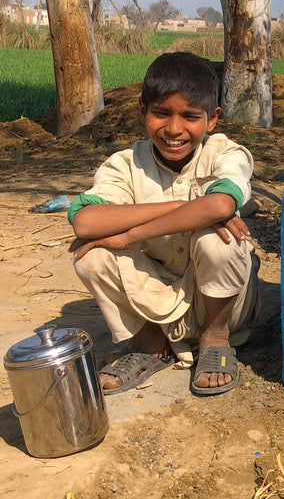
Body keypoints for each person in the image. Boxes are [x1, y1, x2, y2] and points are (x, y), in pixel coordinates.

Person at [68, 52, 260, 396]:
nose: (173, 129)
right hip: (153, 302)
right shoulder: (124, 165)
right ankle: (149, 344)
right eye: (161, 113)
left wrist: (129, 234)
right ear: (143, 111)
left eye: (190, 116)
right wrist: (185, 207)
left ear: (212, 119)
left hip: (217, 305)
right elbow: (85, 221)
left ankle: (215, 339)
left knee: (220, 241)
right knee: (90, 254)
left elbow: (219, 203)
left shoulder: (226, 153)